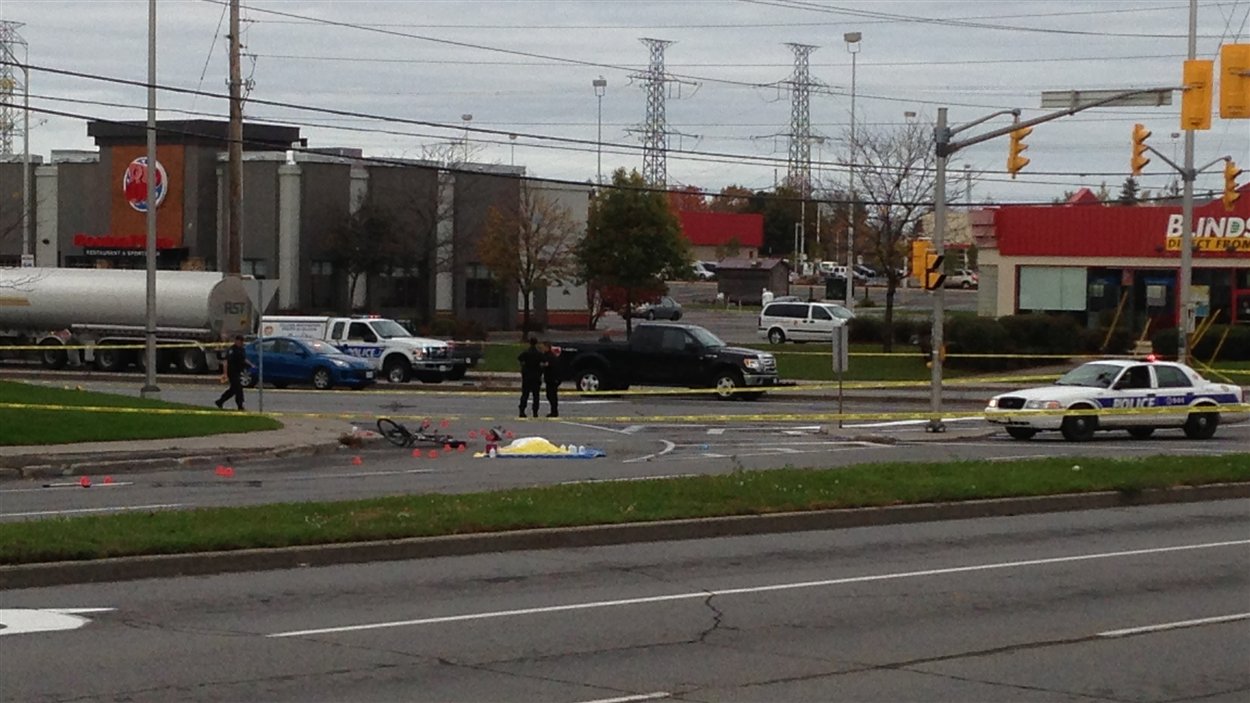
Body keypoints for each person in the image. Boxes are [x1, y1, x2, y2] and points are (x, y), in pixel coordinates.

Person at [215, 335, 253, 411]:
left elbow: (244, 359)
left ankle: (220, 401)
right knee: (238, 388)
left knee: (233, 390)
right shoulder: (232, 350)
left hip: (238, 372)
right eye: (240, 341)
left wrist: (251, 365)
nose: (241, 343)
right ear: (236, 341)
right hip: (232, 372)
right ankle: (240, 406)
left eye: (242, 341)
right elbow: (225, 362)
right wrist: (225, 374)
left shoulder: (242, 349)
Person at [517, 336, 543, 418]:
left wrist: (523, 366)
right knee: (536, 396)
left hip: (527, 376)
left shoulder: (526, 353)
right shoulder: (539, 354)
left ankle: (522, 410)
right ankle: (535, 412)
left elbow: (519, 358)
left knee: (525, 394)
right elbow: (543, 362)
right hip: (536, 376)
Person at [539, 341, 560, 418]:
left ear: (547, 347)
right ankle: (553, 411)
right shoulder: (548, 355)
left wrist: (542, 365)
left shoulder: (550, 356)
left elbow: (548, 365)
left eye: (543, 347)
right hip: (550, 378)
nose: (542, 349)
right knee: (550, 395)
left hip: (552, 378)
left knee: (552, 395)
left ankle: (554, 411)